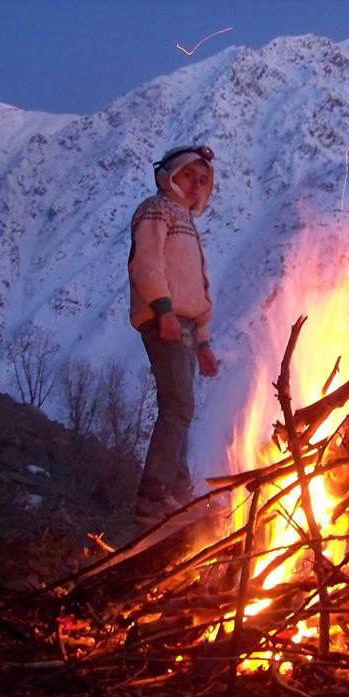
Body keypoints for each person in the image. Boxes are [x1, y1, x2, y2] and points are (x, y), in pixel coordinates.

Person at [128, 145, 220, 524]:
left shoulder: (186, 221)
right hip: (163, 318)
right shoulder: (156, 209)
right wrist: (163, 309)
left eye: (202, 180)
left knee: (181, 407)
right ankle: (153, 496)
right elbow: (147, 262)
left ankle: (178, 493)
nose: (195, 185)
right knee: (178, 405)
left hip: (184, 324)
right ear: (169, 175)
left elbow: (197, 285)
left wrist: (203, 340)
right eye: (188, 176)